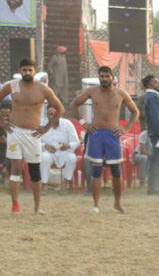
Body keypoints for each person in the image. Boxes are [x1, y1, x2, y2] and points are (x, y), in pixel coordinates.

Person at [69, 65, 140, 213]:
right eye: (102, 76)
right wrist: (83, 123)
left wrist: (126, 128)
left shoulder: (121, 93)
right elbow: (74, 104)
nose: (104, 79)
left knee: (116, 170)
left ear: (112, 78)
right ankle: (96, 205)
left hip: (113, 134)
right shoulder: (92, 91)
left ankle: (117, 203)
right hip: (96, 133)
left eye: (107, 76)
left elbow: (135, 112)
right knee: (96, 169)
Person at [0, 57, 64, 214]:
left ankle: (37, 207)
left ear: (35, 71)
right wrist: (2, 123)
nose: (27, 72)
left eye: (30, 70)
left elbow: (60, 108)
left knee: (34, 170)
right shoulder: (11, 86)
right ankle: (15, 206)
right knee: (16, 168)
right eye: (24, 70)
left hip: (34, 133)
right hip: (15, 132)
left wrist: (47, 127)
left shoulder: (43, 89)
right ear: (20, 71)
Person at [39, 104, 77, 191]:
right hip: (48, 152)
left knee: (72, 158)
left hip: (64, 152)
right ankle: (44, 184)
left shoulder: (67, 124)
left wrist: (68, 145)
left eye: (55, 114)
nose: (53, 117)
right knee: (44, 157)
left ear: (60, 114)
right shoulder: (41, 123)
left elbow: (76, 142)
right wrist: (45, 145)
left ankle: (65, 183)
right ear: (47, 114)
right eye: (51, 114)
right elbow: (34, 141)